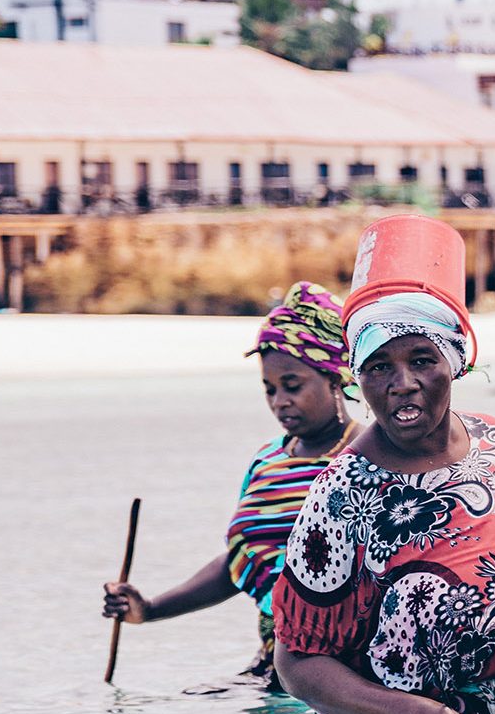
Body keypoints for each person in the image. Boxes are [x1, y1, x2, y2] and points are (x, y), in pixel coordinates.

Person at [273, 217, 495, 714]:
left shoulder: (494, 442)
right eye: (379, 366)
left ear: (455, 362)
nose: (401, 382)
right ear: (358, 377)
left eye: (422, 361)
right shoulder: (343, 493)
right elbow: (297, 662)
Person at [101, 282, 359, 675]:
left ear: (334, 378)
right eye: (269, 389)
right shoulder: (268, 459)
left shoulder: (365, 453)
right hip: (277, 663)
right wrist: (150, 609)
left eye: (293, 386)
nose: (279, 402)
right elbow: (239, 564)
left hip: (348, 666)